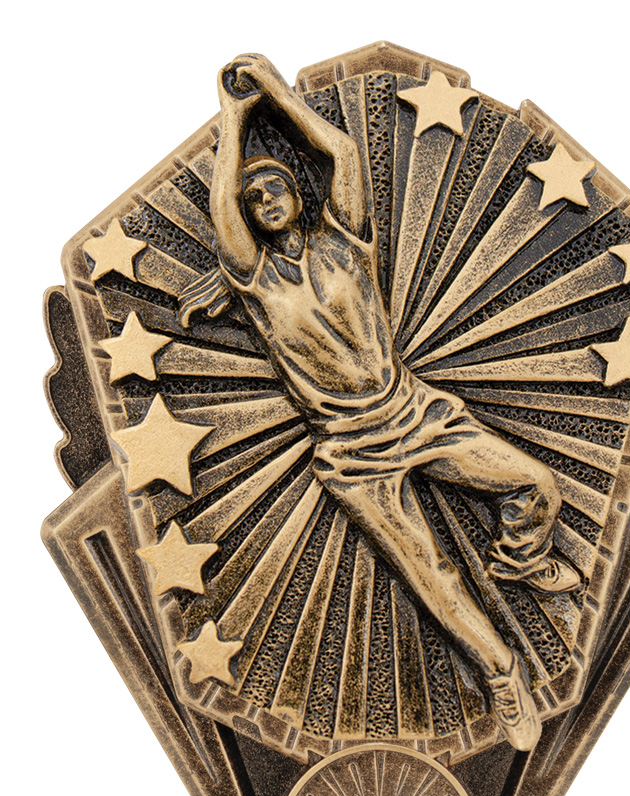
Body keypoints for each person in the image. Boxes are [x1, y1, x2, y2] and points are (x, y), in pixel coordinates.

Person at [179, 54, 582, 751]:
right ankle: (501, 675)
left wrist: (276, 93)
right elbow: (221, 212)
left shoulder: (345, 241)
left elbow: (341, 153)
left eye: (274, 188)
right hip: (350, 451)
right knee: (430, 575)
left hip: (415, 412)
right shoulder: (255, 279)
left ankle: (521, 559)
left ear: (298, 192)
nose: (264, 200)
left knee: (535, 483)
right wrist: (234, 119)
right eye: (253, 199)